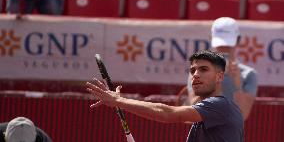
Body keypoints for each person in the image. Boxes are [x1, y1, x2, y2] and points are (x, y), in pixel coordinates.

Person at [86, 50, 244, 142]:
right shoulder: (206, 115)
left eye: (203, 69)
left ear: (220, 77)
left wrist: (119, 100)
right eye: (192, 70)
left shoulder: (221, 105)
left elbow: (169, 114)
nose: (195, 75)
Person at [187, 17, 258, 120]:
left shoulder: (249, 74)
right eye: (220, 45)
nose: (224, 49)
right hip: (203, 133)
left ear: (238, 40)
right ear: (211, 39)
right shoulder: (198, 71)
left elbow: (243, 115)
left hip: (229, 134)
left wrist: (237, 85)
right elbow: (193, 109)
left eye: (228, 45)